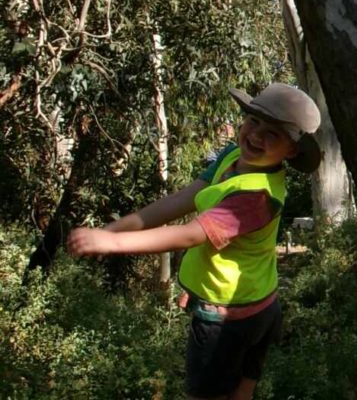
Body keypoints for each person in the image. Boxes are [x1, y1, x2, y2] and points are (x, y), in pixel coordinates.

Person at [68, 82, 322, 400]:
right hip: (260, 304)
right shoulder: (232, 158)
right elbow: (183, 199)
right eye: (254, 122)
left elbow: (190, 234)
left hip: (230, 322)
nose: (256, 135)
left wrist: (110, 244)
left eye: (273, 133)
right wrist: (113, 230)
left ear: (292, 150)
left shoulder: (256, 196)